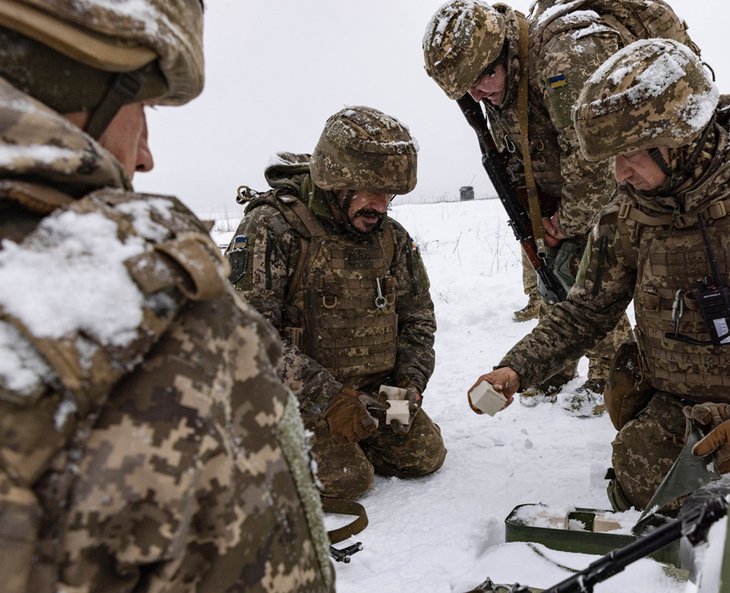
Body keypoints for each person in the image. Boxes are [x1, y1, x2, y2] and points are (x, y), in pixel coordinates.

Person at [0, 1, 334, 592]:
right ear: (79, 75)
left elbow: (418, 316)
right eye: (142, 108)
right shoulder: (161, 316)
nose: (147, 154)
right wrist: (333, 400)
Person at [470, 38, 730, 511]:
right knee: (642, 472)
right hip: (682, 403)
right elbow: (586, 310)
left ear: (679, 136)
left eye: (631, 154)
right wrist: (517, 367)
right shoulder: (628, 213)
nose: (619, 173)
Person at [423, 0, 699, 405]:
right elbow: (519, 150)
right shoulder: (498, 81)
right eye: (466, 87)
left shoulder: (563, 54)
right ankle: (555, 365)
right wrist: (536, 220)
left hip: (623, 184)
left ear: (502, 52)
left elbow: (593, 156)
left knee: (586, 285)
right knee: (553, 276)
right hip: (559, 199)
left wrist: (567, 224)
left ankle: (611, 374)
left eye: (482, 78)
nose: (477, 93)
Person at [225, 106, 447, 500]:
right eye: (371, 191)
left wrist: (409, 381)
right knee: (349, 480)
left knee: (424, 455)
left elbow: (418, 318)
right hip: (295, 398)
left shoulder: (391, 237)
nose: (381, 205)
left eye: (390, 195)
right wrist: (328, 399)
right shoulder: (273, 227)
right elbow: (246, 337)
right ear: (336, 181)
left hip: (370, 395)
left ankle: (345, 439)